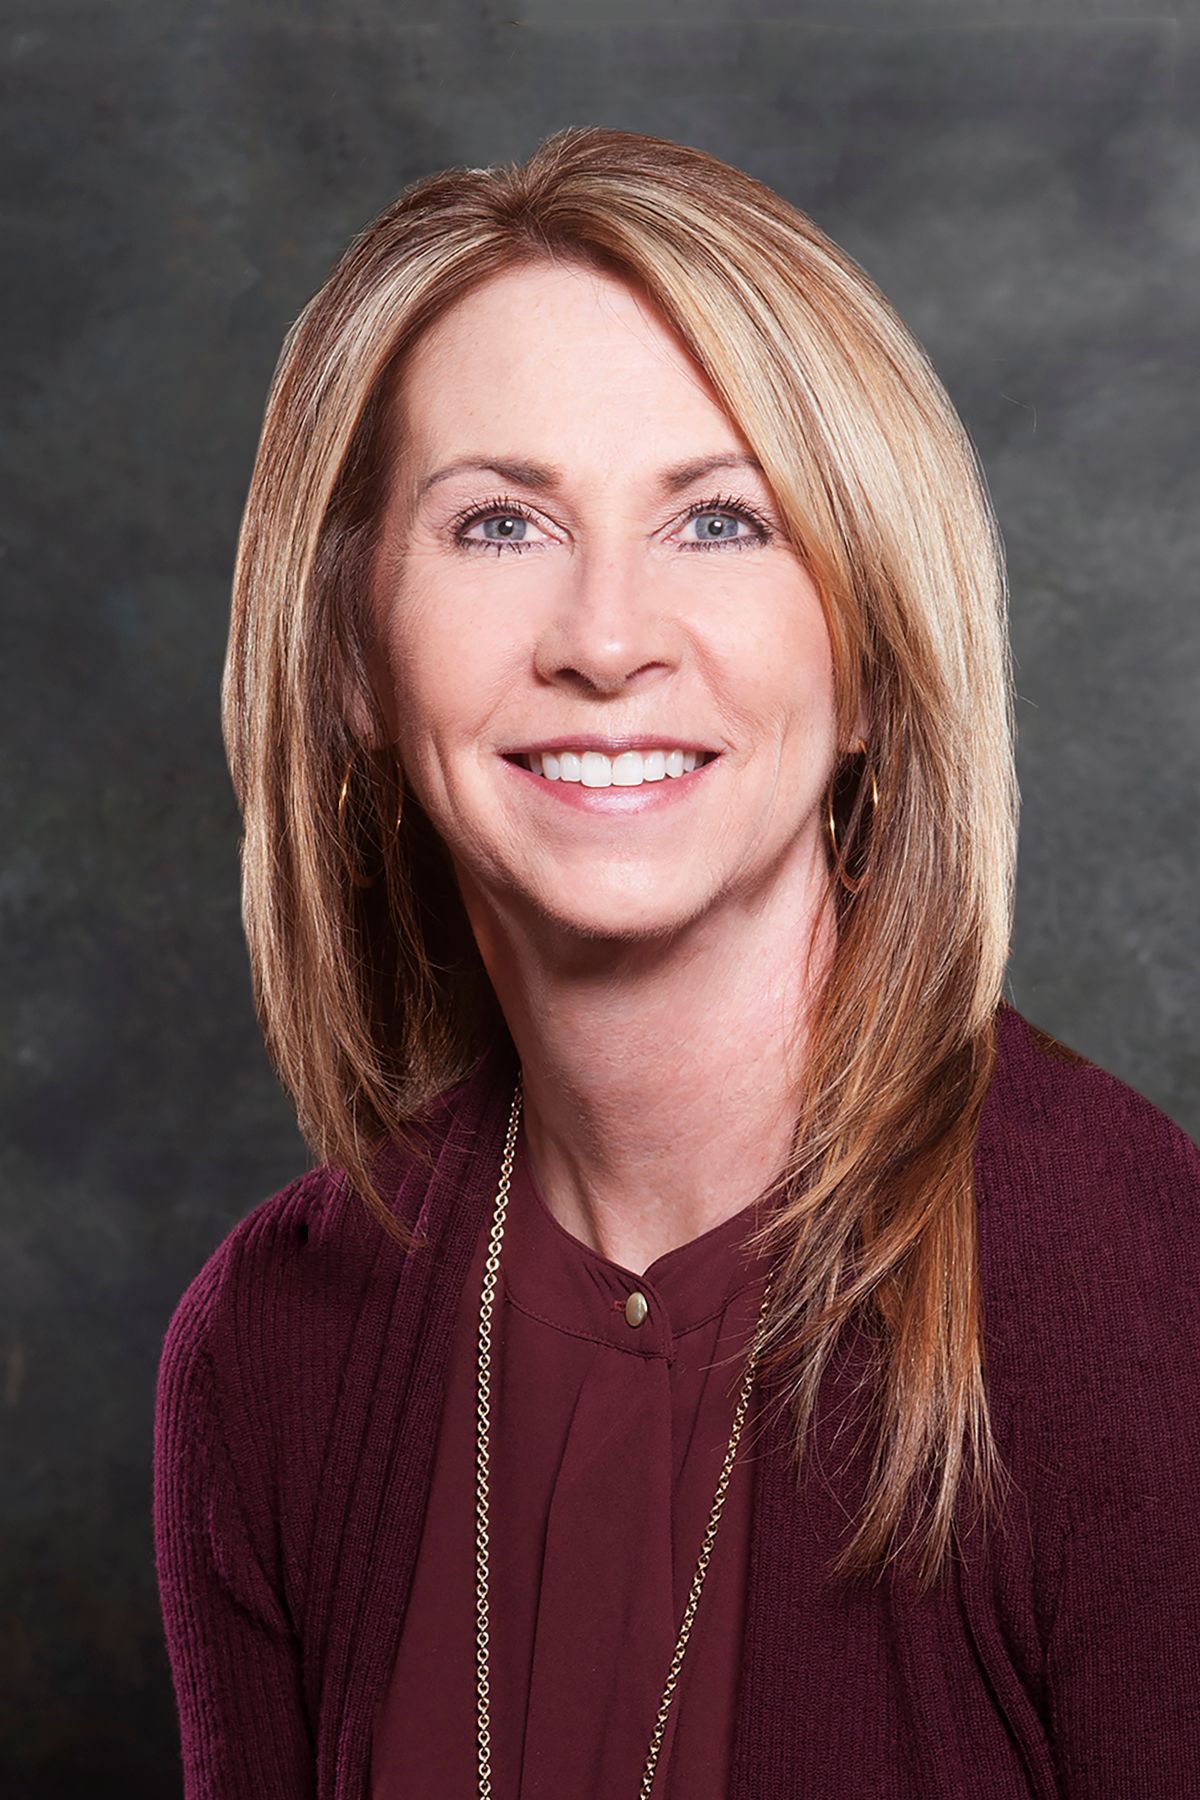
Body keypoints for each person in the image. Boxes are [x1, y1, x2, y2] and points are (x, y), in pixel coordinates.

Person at [152, 127, 1200, 1799]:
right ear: (350, 648)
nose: (609, 637)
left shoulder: (1141, 1296)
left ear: (872, 656)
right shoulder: (268, 1351)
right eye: (499, 526)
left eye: (720, 521)